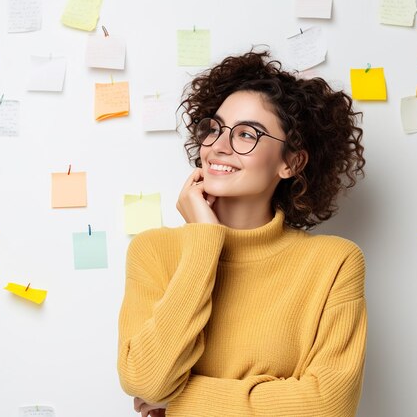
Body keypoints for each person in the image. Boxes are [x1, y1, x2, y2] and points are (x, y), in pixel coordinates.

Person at [117, 49, 367, 417]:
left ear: (290, 162)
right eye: (214, 128)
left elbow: (328, 406)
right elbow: (146, 382)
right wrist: (203, 240)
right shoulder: (153, 250)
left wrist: (183, 400)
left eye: (247, 134)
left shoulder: (335, 263)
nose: (218, 145)